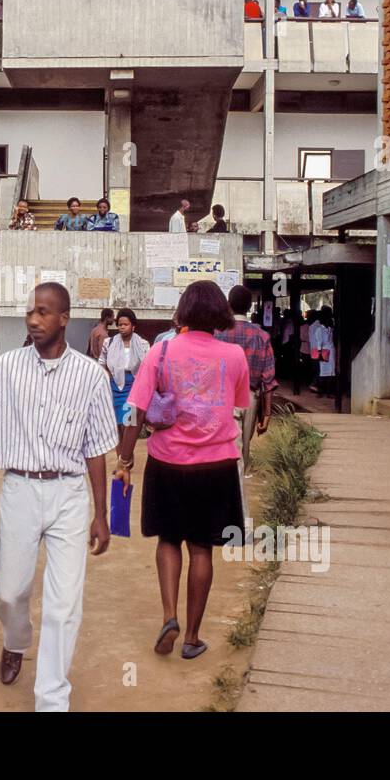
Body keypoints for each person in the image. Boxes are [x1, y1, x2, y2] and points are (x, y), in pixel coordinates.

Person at [0, 282, 117, 711]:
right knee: (8, 593)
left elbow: (96, 449)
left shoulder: (90, 376)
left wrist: (100, 514)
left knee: (64, 604)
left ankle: (51, 698)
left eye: (44, 312)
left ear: (64, 318)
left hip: (69, 493)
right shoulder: (6, 368)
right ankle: (15, 639)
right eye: (30, 311)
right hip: (19, 489)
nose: (33, 319)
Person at [115, 280, 250, 661]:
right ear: (220, 315)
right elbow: (238, 403)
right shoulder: (234, 356)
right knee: (202, 547)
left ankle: (169, 617)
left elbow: (135, 409)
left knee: (169, 540)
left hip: (168, 463)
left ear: (183, 312)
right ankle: (191, 636)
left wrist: (124, 461)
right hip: (217, 465)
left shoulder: (162, 351)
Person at [214, 285, 277, 472]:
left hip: (220, 396)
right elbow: (268, 379)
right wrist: (266, 414)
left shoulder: (217, 332)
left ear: (228, 305)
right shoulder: (262, 336)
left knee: (221, 447)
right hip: (250, 397)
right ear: (250, 307)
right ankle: (239, 488)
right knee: (243, 451)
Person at [100, 308, 149, 443]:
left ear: (133, 326)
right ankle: (120, 457)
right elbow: (101, 363)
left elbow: (148, 365)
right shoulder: (109, 343)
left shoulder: (143, 344)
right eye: (120, 324)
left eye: (125, 324)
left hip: (133, 386)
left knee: (129, 423)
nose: (122, 327)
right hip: (114, 386)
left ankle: (127, 457)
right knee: (117, 426)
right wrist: (108, 376)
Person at [308, 306, 335, 395]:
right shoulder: (318, 328)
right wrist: (319, 353)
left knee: (329, 372)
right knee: (322, 372)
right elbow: (318, 342)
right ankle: (320, 390)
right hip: (322, 352)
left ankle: (326, 391)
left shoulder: (329, 328)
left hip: (326, 352)